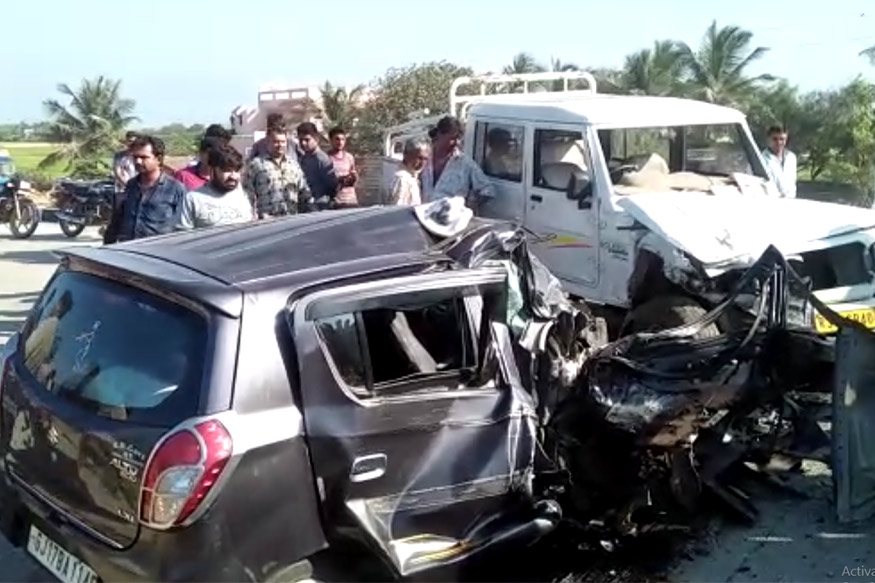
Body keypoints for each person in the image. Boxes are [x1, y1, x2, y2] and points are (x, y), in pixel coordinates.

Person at [108, 135, 187, 243]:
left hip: (158, 250)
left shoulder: (175, 189)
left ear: (158, 159)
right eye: (135, 157)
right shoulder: (131, 185)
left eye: (144, 157)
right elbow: (118, 221)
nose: (138, 161)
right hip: (128, 248)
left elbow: (182, 227)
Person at [420, 116, 493, 210]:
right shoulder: (422, 157)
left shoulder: (465, 164)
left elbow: (487, 189)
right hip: (421, 213)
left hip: (449, 216)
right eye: (453, 138)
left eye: (459, 139)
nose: (457, 143)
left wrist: (471, 204)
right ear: (439, 134)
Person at [176, 143, 254, 230]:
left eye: (236, 171)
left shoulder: (242, 195)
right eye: (227, 171)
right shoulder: (193, 199)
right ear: (212, 170)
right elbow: (181, 235)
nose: (233, 176)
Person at [243, 125, 311, 218]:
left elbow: (304, 192)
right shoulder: (256, 165)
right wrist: (252, 216)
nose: (280, 145)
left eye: (283, 142)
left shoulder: (294, 165)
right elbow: (247, 193)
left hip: (291, 218)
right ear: (267, 142)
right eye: (276, 142)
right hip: (267, 219)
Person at [296, 122, 339, 209]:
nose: (303, 143)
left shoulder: (322, 159)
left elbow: (332, 186)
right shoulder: (303, 158)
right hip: (305, 206)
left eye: (307, 140)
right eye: (301, 140)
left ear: (316, 139)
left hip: (320, 206)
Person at [389, 138, 429, 206]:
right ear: (406, 155)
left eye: (425, 159)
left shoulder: (413, 177)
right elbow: (397, 209)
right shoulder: (402, 179)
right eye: (419, 158)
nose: (422, 163)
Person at [761, 125, 797, 199]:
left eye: (782, 139)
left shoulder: (791, 157)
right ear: (768, 140)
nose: (779, 142)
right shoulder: (761, 159)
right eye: (775, 139)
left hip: (791, 200)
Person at [328, 127, 358, 208]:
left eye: (342, 139)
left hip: (351, 201)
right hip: (336, 202)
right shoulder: (326, 158)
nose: (340, 142)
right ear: (331, 140)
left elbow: (354, 179)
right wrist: (339, 180)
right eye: (337, 139)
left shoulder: (349, 157)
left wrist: (354, 178)